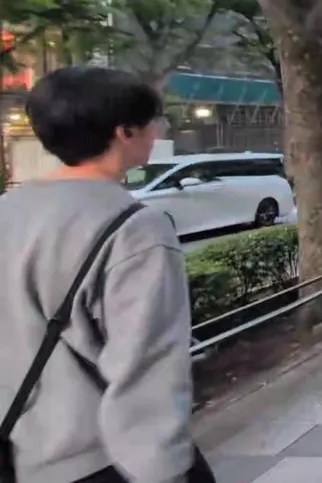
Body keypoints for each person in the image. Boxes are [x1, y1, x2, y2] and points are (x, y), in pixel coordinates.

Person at [0, 67, 215, 482]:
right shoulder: (135, 227)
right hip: (101, 459)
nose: (158, 131)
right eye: (154, 121)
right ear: (125, 132)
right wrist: (163, 470)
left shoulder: (7, 209)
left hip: (19, 455)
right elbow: (147, 365)